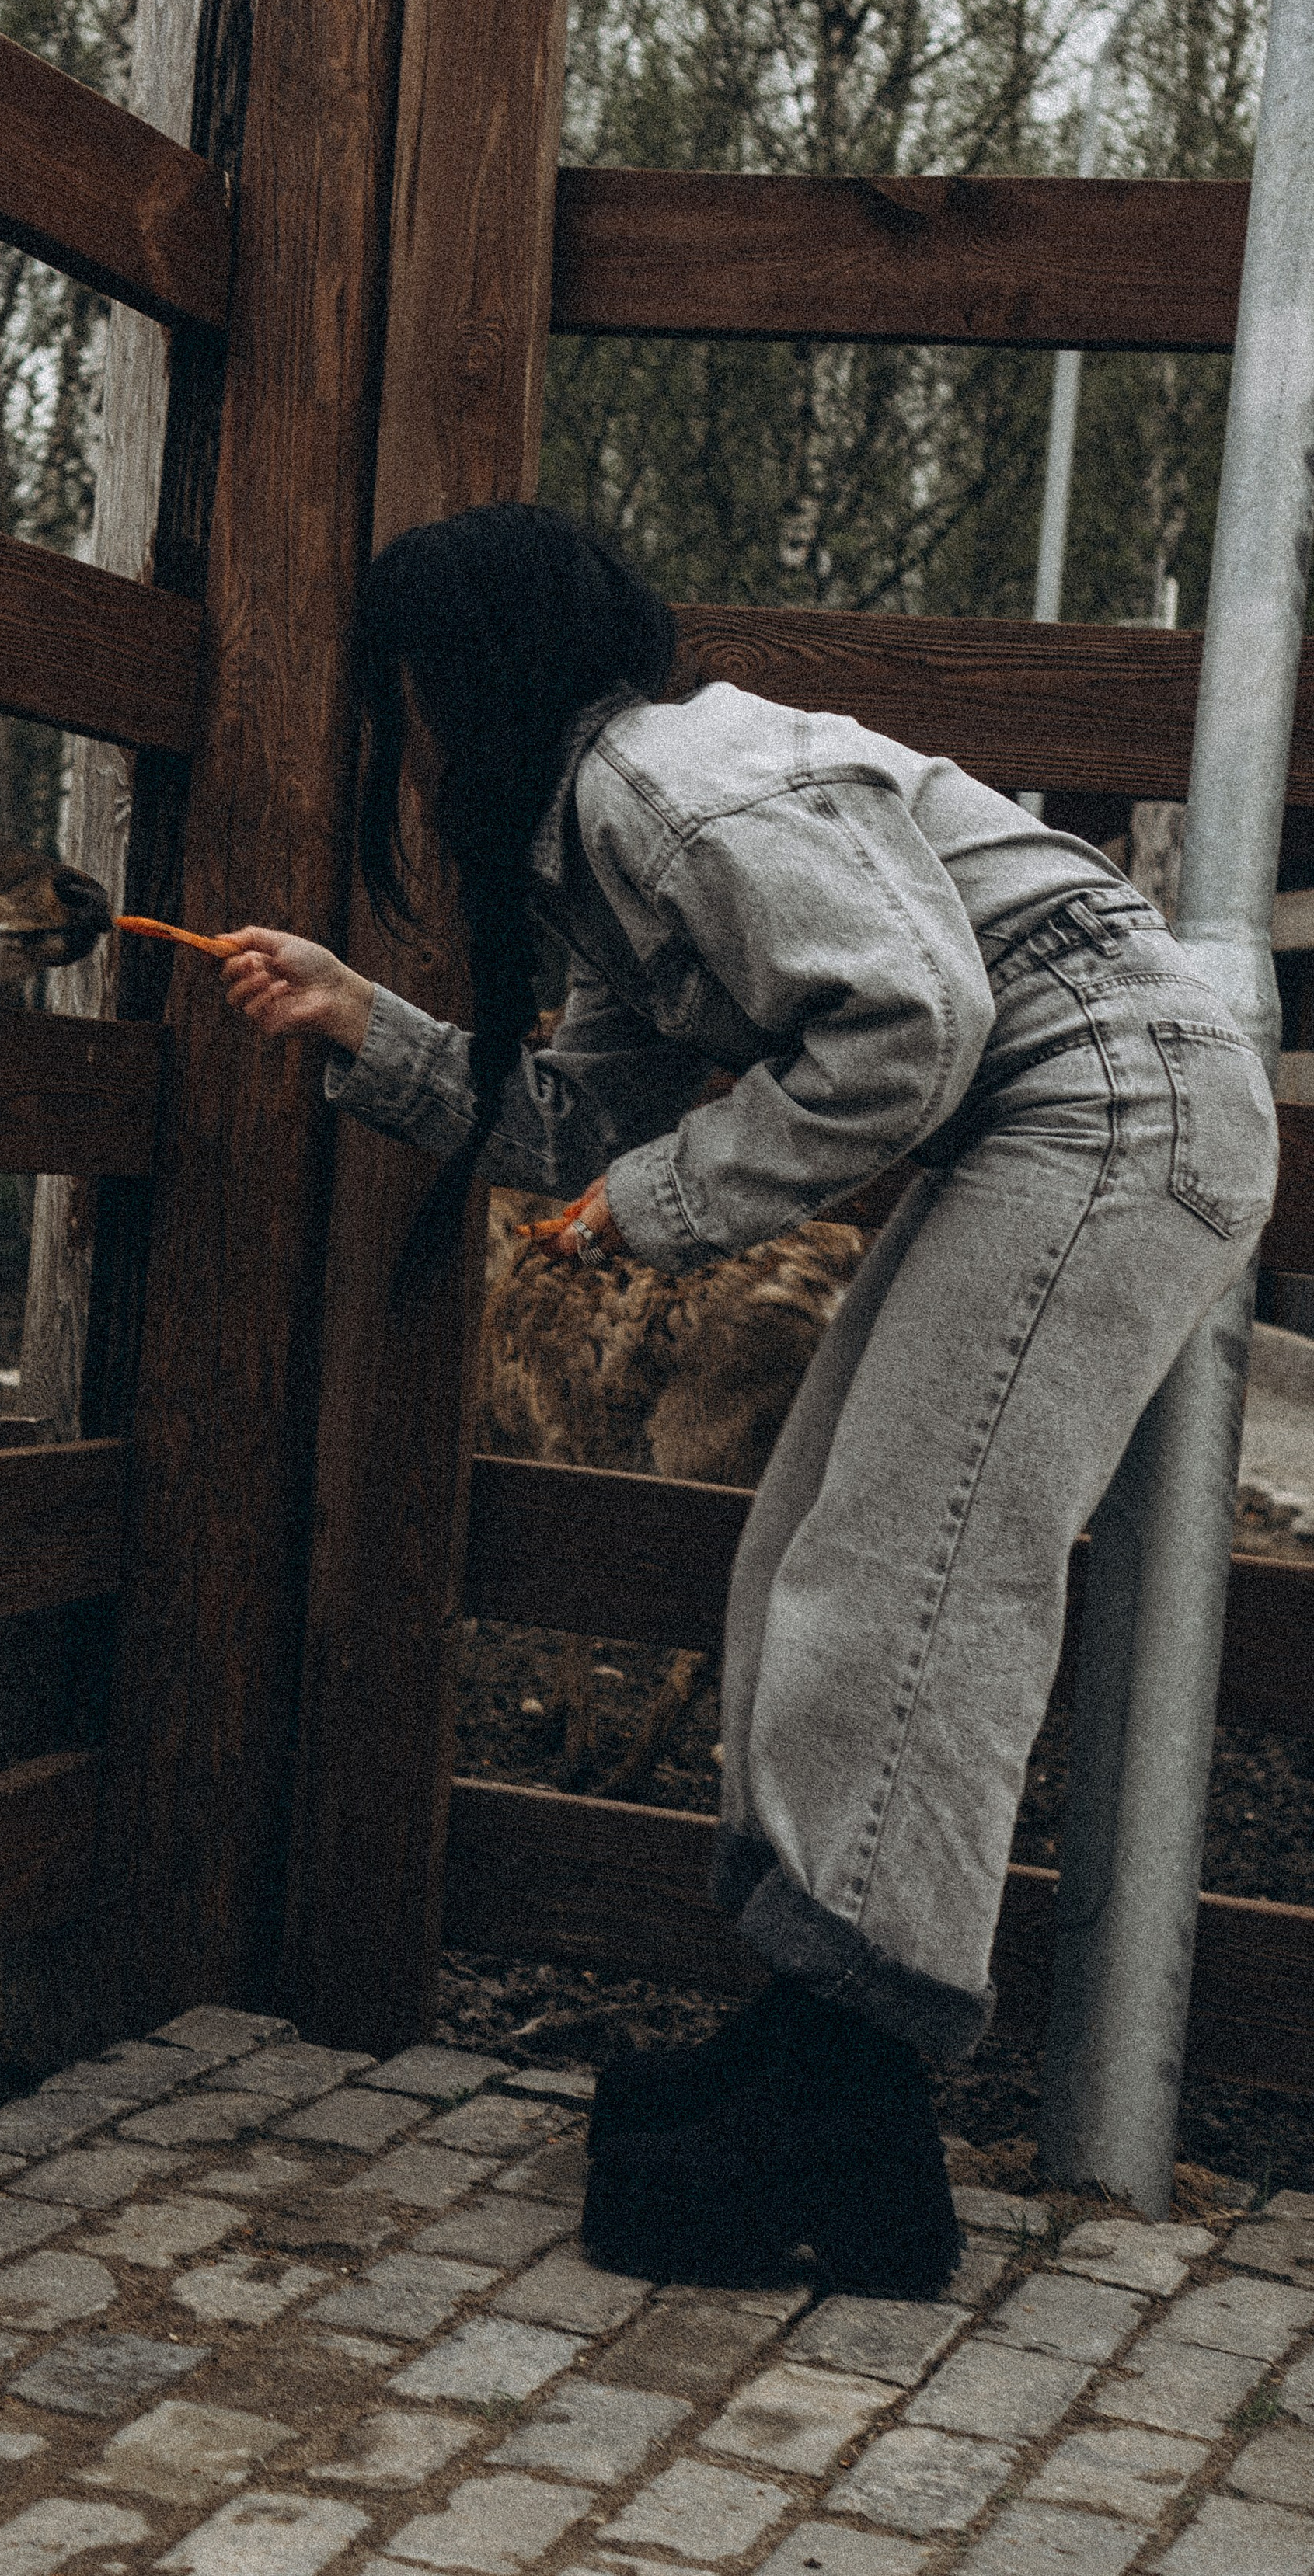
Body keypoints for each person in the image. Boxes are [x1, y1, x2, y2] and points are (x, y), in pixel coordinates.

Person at [215, 500, 1277, 2297]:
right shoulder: (606, 831)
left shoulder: (666, 789)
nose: (401, 740)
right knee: (809, 1557)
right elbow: (584, 1123)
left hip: (1111, 1112)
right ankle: (811, 2048)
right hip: (1043, 1120)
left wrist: (662, 1203)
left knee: (906, 1580)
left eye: (407, 694)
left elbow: (908, 1026)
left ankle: (851, 2110)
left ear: (466, 682)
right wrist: (360, 1023)